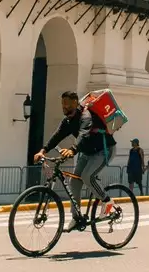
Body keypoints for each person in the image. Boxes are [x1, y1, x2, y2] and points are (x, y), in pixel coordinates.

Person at [32, 90, 116, 226]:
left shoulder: (85, 116)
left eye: (67, 105)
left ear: (75, 102)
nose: (64, 107)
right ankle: (76, 218)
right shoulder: (68, 121)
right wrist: (43, 151)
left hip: (104, 150)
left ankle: (107, 202)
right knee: (74, 183)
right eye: (63, 104)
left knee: (87, 177)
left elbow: (84, 134)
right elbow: (57, 136)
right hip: (87, 152)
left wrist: (72, 149)